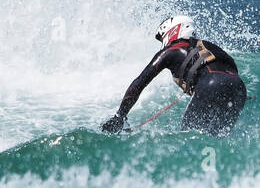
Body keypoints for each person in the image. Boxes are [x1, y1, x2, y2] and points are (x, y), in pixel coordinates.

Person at [100, 15, 248, 136]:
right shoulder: (211, 47)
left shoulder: (173, 49)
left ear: (173, 30)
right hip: (239, 89)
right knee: (218, 139)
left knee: (190, 138)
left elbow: (139, 82)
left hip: (210, 86)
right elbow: (227, 74)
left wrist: (120, 116)